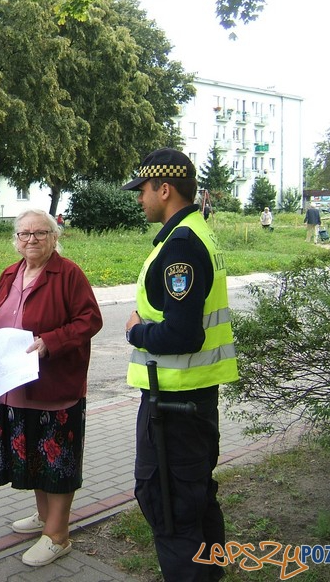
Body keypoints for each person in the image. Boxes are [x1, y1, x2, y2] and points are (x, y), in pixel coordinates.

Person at [121, 148, 238, 582]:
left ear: (164, 189)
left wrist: (135, 332)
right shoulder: (195, 233)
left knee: (169, 506)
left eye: (143, 191)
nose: (139, 200)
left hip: (174, 408)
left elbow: (184, 335)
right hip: (191, 403)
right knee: (196, 502)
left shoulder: (182, 244)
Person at [0, 209, 103, 567]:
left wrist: (51, 342)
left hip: (54, 386)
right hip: (17, 384)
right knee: (33, 456)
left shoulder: (68, 274)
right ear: (16, 239)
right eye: (25, 233)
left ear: (54, 237)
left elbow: (90, 320)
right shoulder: (10, 273)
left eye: (41, 233)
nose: (32, 239)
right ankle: (45, 517)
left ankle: (58, 535)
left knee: (57, 460)